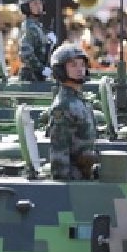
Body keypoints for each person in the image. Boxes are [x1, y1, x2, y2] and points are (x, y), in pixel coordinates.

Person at [46, 44, 97, 180]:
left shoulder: (79, 100)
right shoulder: (62, 106)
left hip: (85, 174)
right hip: (74, 179)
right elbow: (59, 156)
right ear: (61, 70)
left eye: (82, 64)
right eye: (73, 65)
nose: (80, 69)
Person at [17, 0, 52, 82]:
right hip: (31, 77)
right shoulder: (29, 27)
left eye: (40, 3)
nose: (39, 6)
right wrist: (41, 68)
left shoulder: (37, 26)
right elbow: (26, 54)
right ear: (26, 7)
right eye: (35, 4)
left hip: (37, 75)